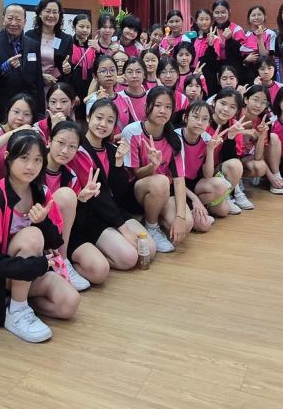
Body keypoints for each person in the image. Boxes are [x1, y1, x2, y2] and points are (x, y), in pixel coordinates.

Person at [0, 132, 81, 343]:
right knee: (32, 236)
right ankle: (17, 311)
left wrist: (43, 221)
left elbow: (55, 241)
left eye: (37, 159)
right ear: (8, 157)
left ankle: (19, 303)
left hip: (25, 272)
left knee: (69, 303)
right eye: (24, 158)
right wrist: (35, 266)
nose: (31, 166)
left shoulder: (41, 191)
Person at [73, 99, 145, 269]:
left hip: (113, 211)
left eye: (110, 121)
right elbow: (98, 197)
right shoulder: (79, 150)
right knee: (129, 259)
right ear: (89, 118)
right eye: (99, 118)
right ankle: (93, 256)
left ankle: (110, 247)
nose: (103, 124)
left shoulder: (112, 149)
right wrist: (123, 229)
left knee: (147, 248)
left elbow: (120, 192)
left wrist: (118, 163)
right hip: (92, 215)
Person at [120, 86, 191, 252]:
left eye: (168, 107)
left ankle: (155, 216)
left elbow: (179, 180)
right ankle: (152, 226)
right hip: (136, 191)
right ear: (147, 107)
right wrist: (153, 166)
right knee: (161, 181)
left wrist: (180, 217)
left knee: (186, 224)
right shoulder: (132, 131)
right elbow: (136, 174)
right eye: (158, 105)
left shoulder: (174, 138)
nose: (163, 111)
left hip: (163, 190)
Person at [43, 121, 106, 289]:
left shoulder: (71, 176)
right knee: (65, 195)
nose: (65, 151)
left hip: (63, 238)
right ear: (49, 141)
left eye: (72, 146)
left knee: (100, 271)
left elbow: (77, 224)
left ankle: (63, 261)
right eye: (60, 143)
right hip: (38, 233)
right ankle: (58, 263)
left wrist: (82, 201)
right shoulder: (34, 169)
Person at [0, 4, 39, 122]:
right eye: (10, 18)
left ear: (25, 22)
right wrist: (5, 66)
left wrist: (40, 110)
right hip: (2, 107)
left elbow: (37, 79)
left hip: (28, 108)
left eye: (18, 19)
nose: (14, 23)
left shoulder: (33, 44)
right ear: (3, 19)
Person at [177, 101, 228, 230]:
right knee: (203, 226)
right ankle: (191, 210)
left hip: (194, 184)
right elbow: (174, 178)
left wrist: (210, 149)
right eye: (195, 117)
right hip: (176, 186)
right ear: (185, 118)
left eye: (205, 119)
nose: (200, 122)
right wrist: (195, 199)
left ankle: (196, 210)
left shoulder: (206, 138)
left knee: (220, 187)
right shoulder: (175, 137)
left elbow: (208, 175)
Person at [205, 89, 249, 215]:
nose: (226, 109)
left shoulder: (235, 126)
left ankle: (227, 195)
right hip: (202, 170)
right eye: (223, 103)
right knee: (222, 211)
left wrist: (230, 137)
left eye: (232, 107)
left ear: (237, 111)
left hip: (218, 170)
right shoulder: (204, 122)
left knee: (235, 164)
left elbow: (230, 160)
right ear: (214, 102)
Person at [28, 0, 74, 111]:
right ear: (40, 13)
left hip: (57, 88)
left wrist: (67, 68)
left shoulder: (66, 38)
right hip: (34, 87)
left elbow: (67, 65)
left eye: (55, 12)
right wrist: (42, 76)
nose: (51, 15)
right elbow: (26, 64)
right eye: (48, 11)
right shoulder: (29, 36)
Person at [234, 85, 274, 209]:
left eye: (263, 102)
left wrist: (261, 135)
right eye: (255, 100)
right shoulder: (235, 114)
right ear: (246, 99)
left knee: (260, 167)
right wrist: (243, 132)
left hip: (243, 157)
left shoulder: (262, 121)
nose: (258, 105)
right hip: (227, 156)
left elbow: (258, 157)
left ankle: (237, 179)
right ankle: (234, 186)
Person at [233, 5, 275, 85]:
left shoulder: (271, 34)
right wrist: (246, 60)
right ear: (249, 18)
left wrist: (259, 37)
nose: (256, 17)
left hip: (265, 71)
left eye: (259, 14)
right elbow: (241, 58)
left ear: (265, 16)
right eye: (253, 15)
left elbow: (265, 56)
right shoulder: (246, 35)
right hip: (249, 72)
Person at [64, 15, 94, 99]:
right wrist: (72, 94)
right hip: (72, 91)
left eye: (88, 27)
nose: (85, 30)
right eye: (81, 26)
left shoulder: (93, 47)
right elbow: (66, 74)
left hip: (90, 91)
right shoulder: (68, 45)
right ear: (74, 27)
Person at [114, 58, 148, 129]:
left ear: (144, 75)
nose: (134, 76)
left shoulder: (150, 96)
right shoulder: (118, 98)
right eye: (130, 72)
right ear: (124, 75)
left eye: (138, 72)